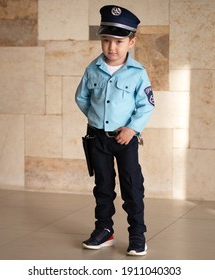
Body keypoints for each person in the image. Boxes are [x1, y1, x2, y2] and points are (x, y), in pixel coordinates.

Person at [75, 5, 154, 256]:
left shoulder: (137, 73)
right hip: (98, 138)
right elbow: (82, 98)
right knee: (103, 186)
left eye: (119, 41)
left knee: (132, 186)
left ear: (132, 41)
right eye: (106, 40)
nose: (111, 47)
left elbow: (146, 105)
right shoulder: (92, 69)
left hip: (125, 140)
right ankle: (104, 230)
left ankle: (137, 233)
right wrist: (99, 120)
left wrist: (131, 129)